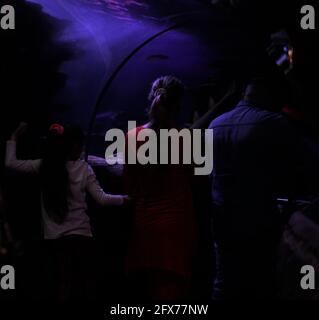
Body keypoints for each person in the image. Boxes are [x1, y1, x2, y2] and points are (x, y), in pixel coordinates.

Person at [209, 76, 319, 299]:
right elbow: (306, 161)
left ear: (244, 94)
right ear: (265, 95)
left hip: (221, 219)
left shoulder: (215, 125)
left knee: (223, 283)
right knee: (261, 283)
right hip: (258, 219)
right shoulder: (272, 121)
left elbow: (208, 174)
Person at [5, 122, 128, 300]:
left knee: (62, 285)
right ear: (76, 146)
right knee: (84, 286)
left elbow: (10, 163)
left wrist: (14, 138)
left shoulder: (45, 166)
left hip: (55, 239)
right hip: (82, 237)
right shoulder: (84, 168)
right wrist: (124, 199)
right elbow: (102, 199)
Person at [124, 76, 197, 301]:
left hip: (144, 224)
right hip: (178, 225)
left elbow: (129, 183)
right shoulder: (186, 138)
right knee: (173, 292)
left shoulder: (131, 137)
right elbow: (195, 179)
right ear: (178, 105)